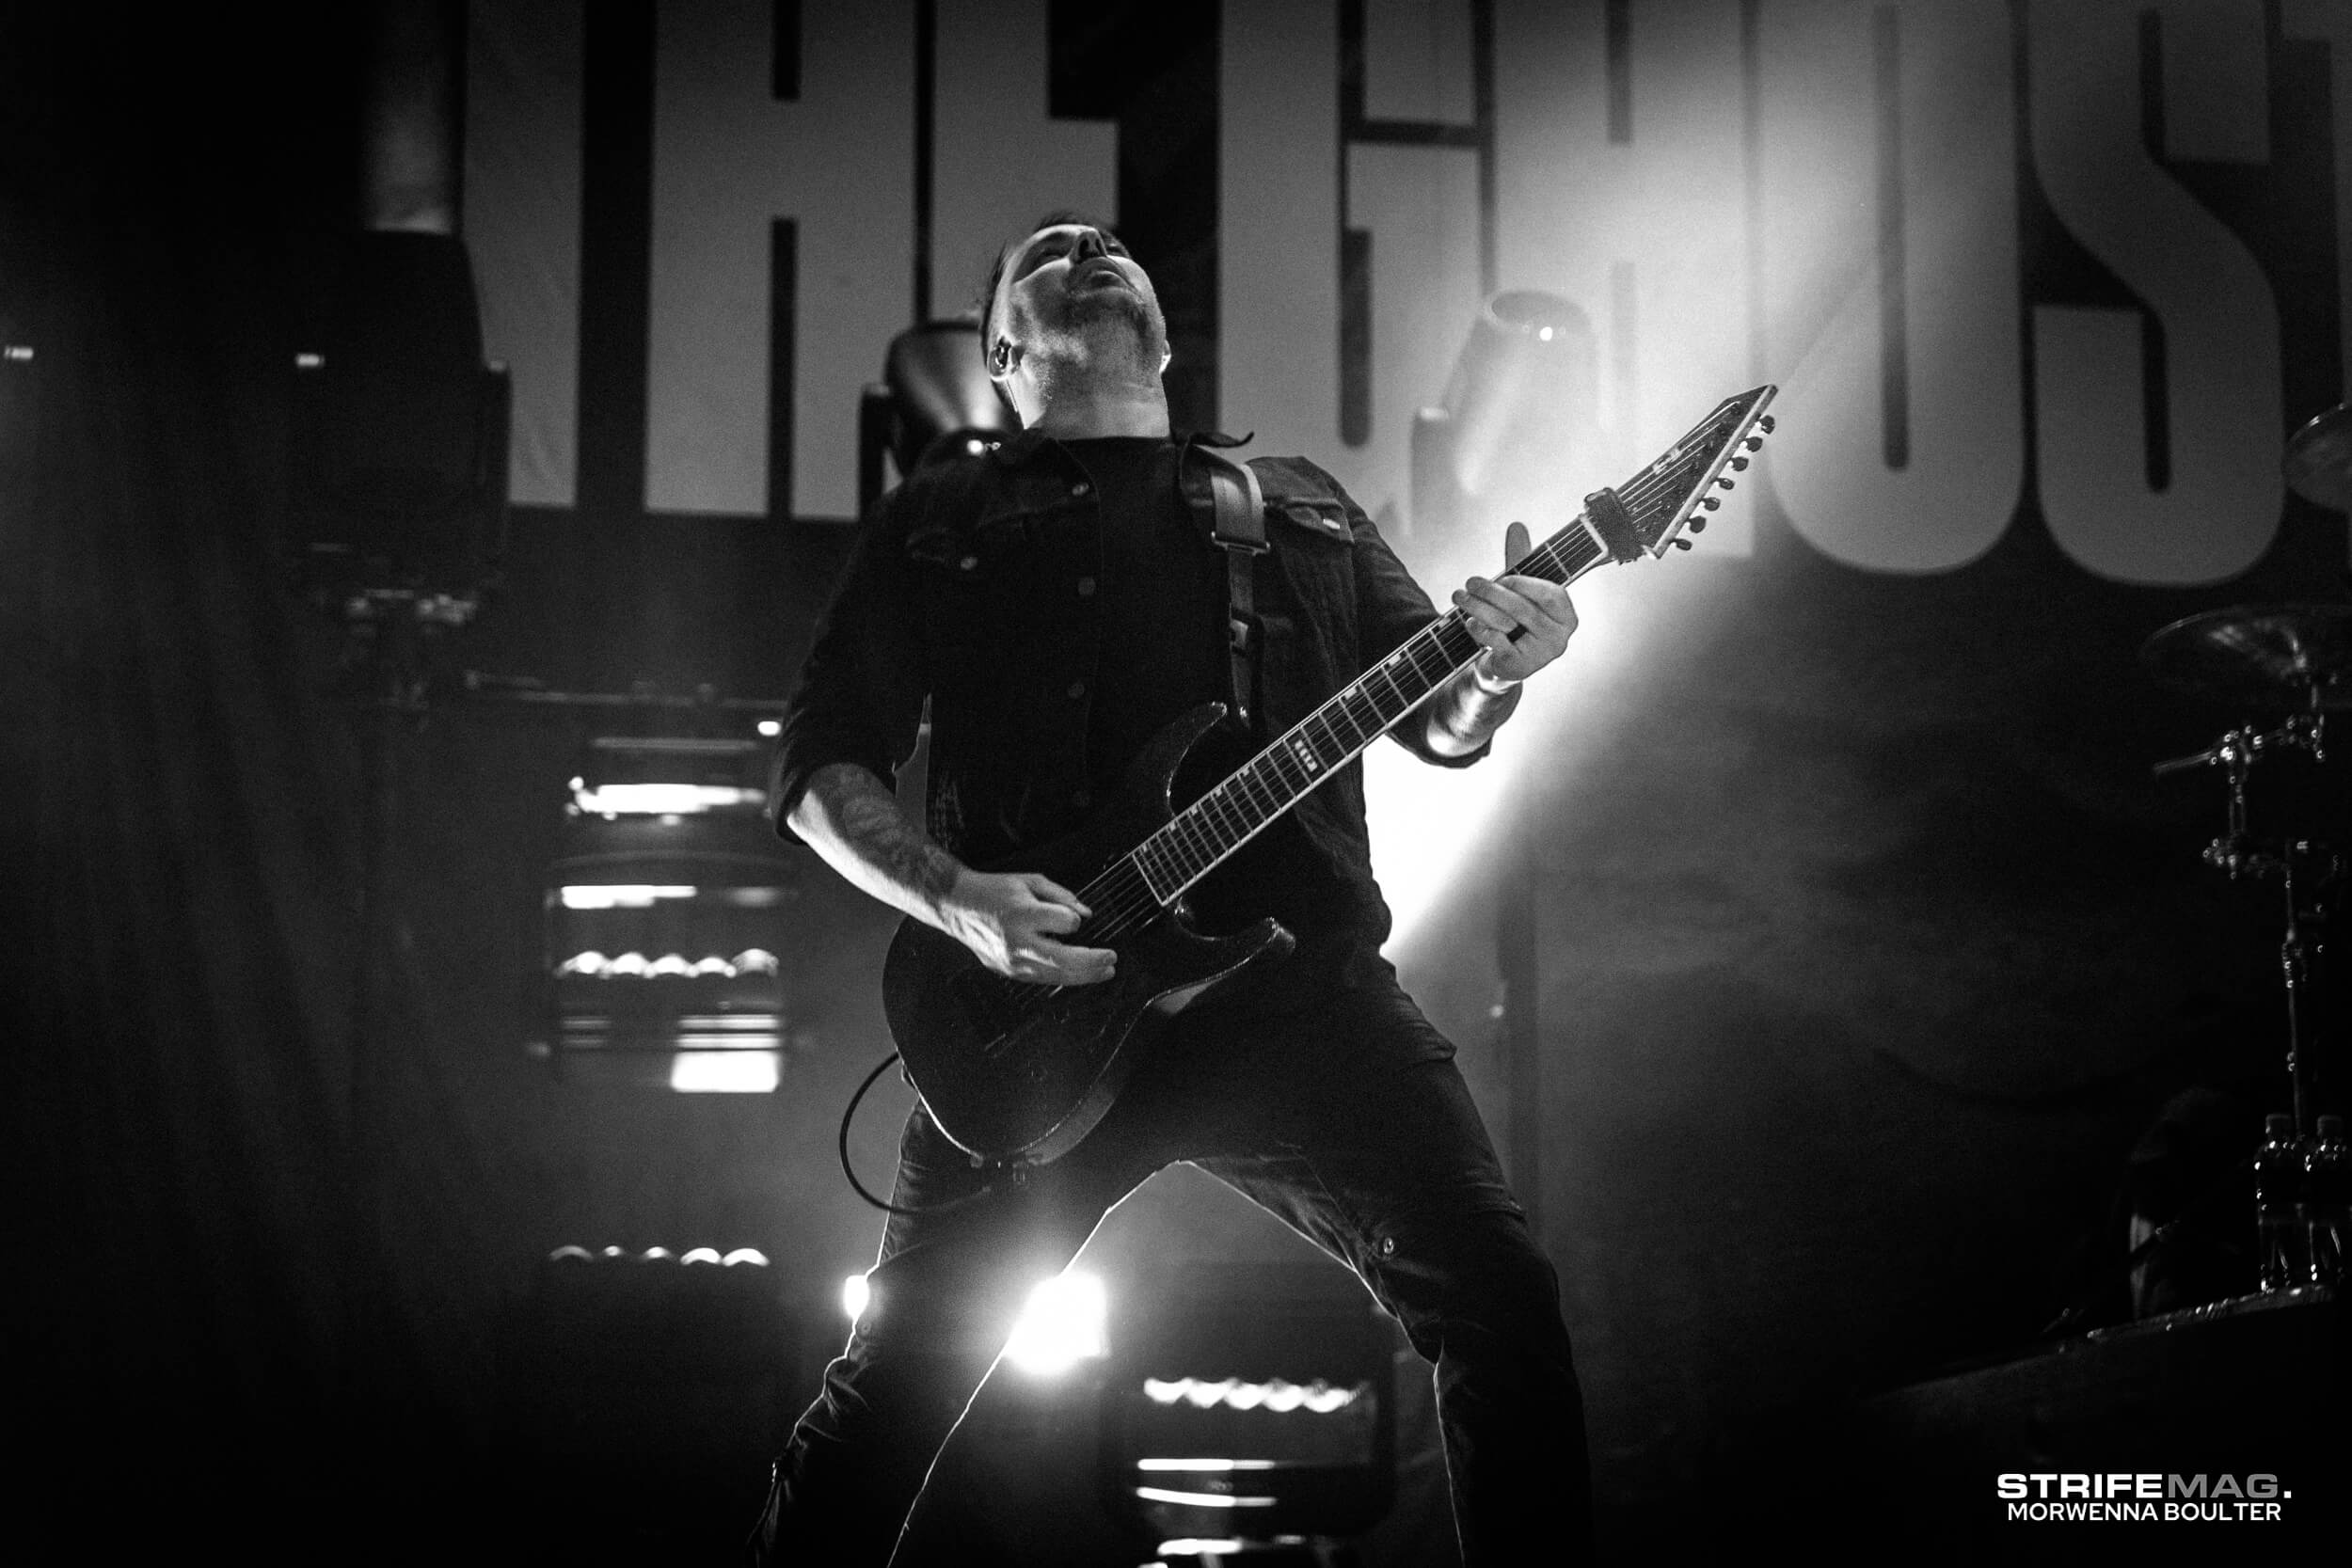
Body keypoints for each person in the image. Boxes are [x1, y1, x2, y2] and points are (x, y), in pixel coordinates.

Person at [753, 213, 1589, 1565]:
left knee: (1502, 1301)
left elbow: (1437, 722)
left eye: (1106, 242)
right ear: (1001, 352)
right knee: (887, 1402)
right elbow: (817, 770)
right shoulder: (949, 520)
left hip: (1302, 1004)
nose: (1090, 243)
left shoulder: (1303, 505)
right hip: (1038, 1026)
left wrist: (1496, 671)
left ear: (1160, 336)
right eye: (1049, 251)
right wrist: (958, 901)